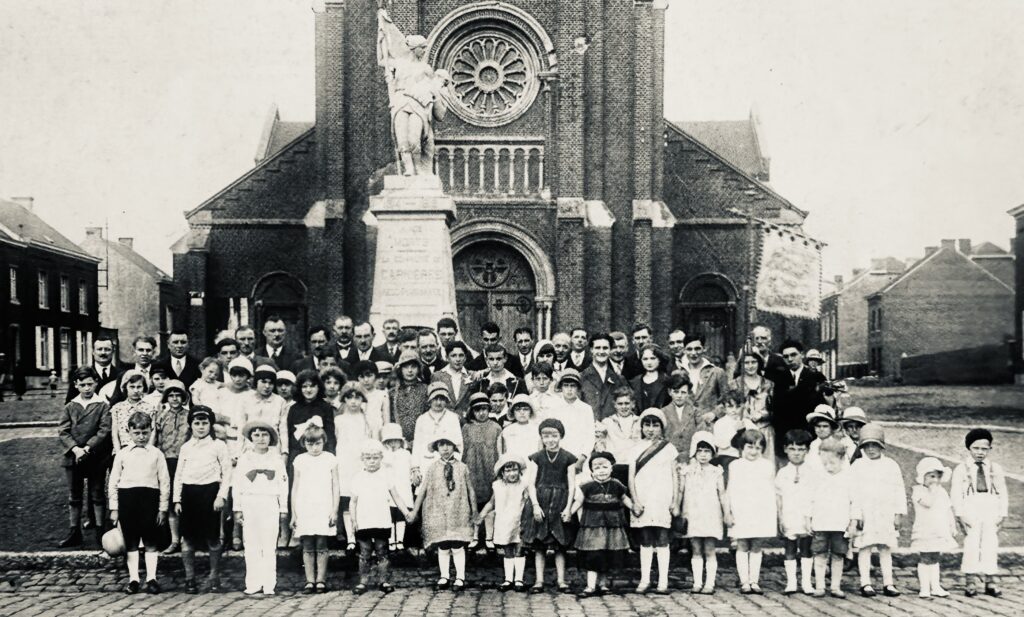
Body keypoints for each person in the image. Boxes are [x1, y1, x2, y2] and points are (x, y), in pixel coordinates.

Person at [108, 411, 170, 594]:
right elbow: (113, 481)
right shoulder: (122, 454)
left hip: (149, 499)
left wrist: (162, 508)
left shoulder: (157, 454)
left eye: (145, 433)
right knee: (131, 541)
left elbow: (164, 482)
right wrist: (114, 508)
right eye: (137, 433)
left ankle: (151, 578)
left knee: (151, 541)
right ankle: (134, 579)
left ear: (151, 431)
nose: (141, 437)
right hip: (128, 500)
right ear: (129, 432)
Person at [174, 406, 232, 594]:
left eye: (205, 423)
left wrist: (221, 496)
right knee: (188, 538)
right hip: (189, 494)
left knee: (213, 538)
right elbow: (179, 475)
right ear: (190, 425)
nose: (201, 427)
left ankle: (214, 577)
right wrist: (177, 499)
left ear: (211, 424)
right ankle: (190, 578)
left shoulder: (219, 446)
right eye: (197, 423)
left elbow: (227, 472)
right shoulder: (186, 447)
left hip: (210, 493)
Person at [410, 432, 477, 591]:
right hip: (438, 510)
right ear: (437, 448)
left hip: (458, 510)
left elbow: (470, 490)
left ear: (454, 447)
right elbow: (423, 489)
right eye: (441, 445)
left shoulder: (462, 468)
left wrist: (475, 511)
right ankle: (444, 576)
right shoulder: (432, 468)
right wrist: (414, 511)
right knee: (443, 544)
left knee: (457, 543)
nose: (445, 449)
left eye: (448, 445)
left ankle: (460, 577)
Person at [521, 418, 577, 594]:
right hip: (542, 502)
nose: (550, 439)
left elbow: (572, 484)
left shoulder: (568, 458)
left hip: (560, 502)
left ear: (560, 436)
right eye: (546, 436)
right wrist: (536, 506)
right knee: (540, 545)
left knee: (560, 544)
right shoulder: (537, 457)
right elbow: (531, 483)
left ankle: (561, 580)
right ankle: (539, 580)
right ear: (541, 438)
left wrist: (568, 508)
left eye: (554, 435)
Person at [849, 423, 906, 597]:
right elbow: (853, 493)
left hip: (885, 512)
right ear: (862, 447)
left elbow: (899, 490)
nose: (871, 449)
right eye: (867, 446)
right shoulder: (857, 466)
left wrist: (898, 513)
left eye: (875, 445)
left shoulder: (891, 465)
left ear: (881, 446)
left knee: (885, 547)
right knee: (865, 548)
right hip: (866, 513)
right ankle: (865, 583)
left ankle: (888, 583)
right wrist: (856, 516)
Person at [57, 366, 111, 548]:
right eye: (82, 385)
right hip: (73, 456)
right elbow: (63, 431)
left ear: (96, 383)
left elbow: (104, 430)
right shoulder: (70, 406)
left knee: (97, 493)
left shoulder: (102, 405)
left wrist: (87, 447)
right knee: (74, 495)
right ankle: (74, 531)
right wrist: (75, 449)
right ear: (76, 385)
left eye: (90, 384)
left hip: (95, 456)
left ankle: (99, 531)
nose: (87, 388)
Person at [233, 421, 289, 596]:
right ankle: (253, 583)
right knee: (251, 544)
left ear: (271, 438)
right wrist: (238, 507)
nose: (260, 439)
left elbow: (283, 485)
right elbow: (237, 484)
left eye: (264, 435)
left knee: (268, 544)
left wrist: (283, 508)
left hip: (269, 502)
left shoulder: (277, 459)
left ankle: (269, 584)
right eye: (256, 435)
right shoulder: (244, 459)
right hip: (250, 502)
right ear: (250, 438)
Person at [350, 439, 413, 595]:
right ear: (362, 459)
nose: (372, 461)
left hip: (381, 519)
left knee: (382, 551)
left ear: (381, 458)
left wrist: (406, 512)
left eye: (375, 458)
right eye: (368, 458)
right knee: (364, 552)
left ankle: (383, 580)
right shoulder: (358, 477)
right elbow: (353, 501)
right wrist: (353, 520)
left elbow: (396, 496)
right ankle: (363, 581)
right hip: (364, 521)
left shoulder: (386, 475)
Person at [570, 451, 637, 598]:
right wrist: (569, 512)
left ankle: (603, 584)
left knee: (607, 554)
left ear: (611, 468)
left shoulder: (617, 485)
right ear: (592, 471)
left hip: (611, 527)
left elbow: (624, 498)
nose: (601, 471)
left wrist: (634, 507)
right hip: (592, 527)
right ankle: (590, 586)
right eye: (597, 468)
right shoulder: (586, 486)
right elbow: (579, 501)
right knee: (594, 554)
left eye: (604, 467)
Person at [628, 408, 680, 594]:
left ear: (661, 427)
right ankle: (644, 579)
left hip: (662, 498)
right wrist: (635, 500)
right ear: (641, 427)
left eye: (655, 425)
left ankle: (663, 581)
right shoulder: (634, 448)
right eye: (647, 425)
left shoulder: (669, 448)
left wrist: (675, 501)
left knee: (662, 538)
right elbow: (631, 477)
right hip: (643, 498)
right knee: (646, 538)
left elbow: (675, 477)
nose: (650, 429)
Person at [951, 428, 1007, 598]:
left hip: (990, 508)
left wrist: (1002, 514)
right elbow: (956, 493)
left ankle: (991, 581)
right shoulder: (962, 469)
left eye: (984, 449)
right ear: (969, 448)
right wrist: (960, 515)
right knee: (972, 544)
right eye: (976, 448)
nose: (980, 452)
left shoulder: (994, 468)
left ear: (990, 449)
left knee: (990, 544)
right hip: (971, 508)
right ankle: (970, 581)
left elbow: (1002, 492)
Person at [291, 424, 340, 594]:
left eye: (317, 443)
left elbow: (335, 486)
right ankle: (309, 580)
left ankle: (321, 580)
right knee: (308, 544)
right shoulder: (300, 460)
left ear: (323, 442)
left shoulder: (330, 458)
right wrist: (294, 513)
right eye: (310, 444)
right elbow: (295, 487)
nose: (314, 447)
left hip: (323, 505)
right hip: (305, 505)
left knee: (321, 543)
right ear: (304, 443)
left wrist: (334, 510)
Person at [679, 430, 730, 594]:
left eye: (707, 451)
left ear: (713, 453)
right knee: (695, 549)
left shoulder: (716, 471)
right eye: (699, 451)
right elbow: (681, 491)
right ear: (694, 451)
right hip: (693, 513)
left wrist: (727, 513)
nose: (703, 455)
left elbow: (722, 494)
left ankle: (709, 583)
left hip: (710, 513)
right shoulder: (687, 471)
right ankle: (697, 582)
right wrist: (679, 510)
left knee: (709, 548)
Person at [727, 429, 777, 595]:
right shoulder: (735, 466)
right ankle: (744, 582)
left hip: (759, 510)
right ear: (742, 447)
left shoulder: (767, 466)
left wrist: (770, 512)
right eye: (750, 447)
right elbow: (730, 490)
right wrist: (729, 512)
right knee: (742, 544)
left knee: (756, 544)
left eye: (757, 448)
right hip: (741, 509)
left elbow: (770, 491)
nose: (753, 451)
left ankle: (754, 581)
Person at [808, 436, 856, 598]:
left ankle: (835, 586)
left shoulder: (848, 478)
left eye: (832, 463)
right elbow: (810, 499)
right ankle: (820, 585)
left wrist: (853, 521)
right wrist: (808, 518)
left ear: (842, 459)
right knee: (820, 554)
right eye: (825, 463)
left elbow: (854, 501)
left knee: (838, 555)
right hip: (821, 522)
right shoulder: (817, 477)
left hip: (840, 523)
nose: (828, 467)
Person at [477, 454, 530, 592]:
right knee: (507, 549)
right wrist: (481, 515)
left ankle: (518, 579)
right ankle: (508, 579)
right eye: (508, 471)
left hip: (519, 521)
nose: (512, 474)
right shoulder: (497, 486)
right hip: (504, 521)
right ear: (502, 473)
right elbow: (491, 503)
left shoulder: (524, 485)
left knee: (519, 548)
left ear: (519, 471)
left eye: (515, 470)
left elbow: (529, 501)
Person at [775, 429, 815, 595]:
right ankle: (791, 582)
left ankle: (806, 582)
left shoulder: (812, 472)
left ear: (807, 451)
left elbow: (814, 496)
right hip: (789, 515)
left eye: (801, 449)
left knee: (806, 549)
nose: (796, 453)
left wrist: (812, 518)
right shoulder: (783, 473)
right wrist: (779, 518)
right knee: (790, 548)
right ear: (785, 449)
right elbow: (778, 497)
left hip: (807, 517)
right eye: (792, 449)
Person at [770, 340, 826, 458]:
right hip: (786, 437)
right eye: (786, 356)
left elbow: (818, 407)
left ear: (802, 354)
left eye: (793, 355)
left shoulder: (814, 377)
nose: (790, 359)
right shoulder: (778, 378)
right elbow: (776, 408)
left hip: (808, 436)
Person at [335, 383, 374, 551]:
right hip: (344, 463)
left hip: (361, 463)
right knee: (347, 499)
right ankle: (350, 537)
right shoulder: (339, 420)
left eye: (357, 397)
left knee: (364, 499)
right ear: (344, 399)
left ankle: (364, 535)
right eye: (349, 397)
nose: (353, 401)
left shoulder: (366, 420)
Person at [153, 379, 190, 554]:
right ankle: (173, 540)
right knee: (168, 500)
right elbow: (155, 440)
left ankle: (187, 539)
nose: (175, 399)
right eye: (171, 395)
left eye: (178, 395)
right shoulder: (160, 416)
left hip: (185, 462)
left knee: (183, 500)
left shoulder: (190, 415)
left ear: (184, 397)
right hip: (165, 461)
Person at [911, 457, 957, 598]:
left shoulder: (941, 492)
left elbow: (948, 509)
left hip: (939, 529)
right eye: (931, 476)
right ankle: (925, 588)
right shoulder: (918, 491)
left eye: (938, 477)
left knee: (935, 558)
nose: (935, 480)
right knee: (925, 557)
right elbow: (928, 503)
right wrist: (933, 490)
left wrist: (952, 525)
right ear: (923, 476)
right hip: (925, 529)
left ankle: (935, 586)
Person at [462, 393, 502, 550]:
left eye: (484, 409)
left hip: (490, 469)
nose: (481, 413)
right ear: (472, 411)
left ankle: (489, 536)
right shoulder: (467, 428)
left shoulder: (496, 427)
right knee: (474, 502)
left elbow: (500, 451)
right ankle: (474, 535)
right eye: (478, 410)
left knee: (490, 502)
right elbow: (463, 450)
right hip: (473, 470)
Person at [411, 383, 463, 484]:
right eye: (435, 399)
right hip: (426, 463)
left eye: (442, 399)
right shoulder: (422, 419)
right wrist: (415, 468)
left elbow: (459, 444)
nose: (438, 402)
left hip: (448, 464)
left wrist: (453, 464)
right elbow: (417, 445)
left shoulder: (452, 418)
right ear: (429, 400)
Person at [730, 351, 775, 463]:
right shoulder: (734, 384)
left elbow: (775, 409)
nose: (750, 366)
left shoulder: (768, 384)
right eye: (746, 363)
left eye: (753, 362)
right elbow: (730, 407)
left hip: (765, 430)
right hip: (744, 431)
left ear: (759, 363)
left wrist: (763, 415)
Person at [579, 333, 628, 421]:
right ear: (591, 350)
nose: (601, 352)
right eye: (598, 348)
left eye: (605, 348)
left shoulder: (619, 380)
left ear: (610, 350)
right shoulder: (581, 377)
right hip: (588, 428)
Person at [380, 423, 413, 551]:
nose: (393, 444)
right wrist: (387, 452)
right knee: (390, 515)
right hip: (389, 489)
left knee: (401, 515)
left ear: (401, 442)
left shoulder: (406, 454)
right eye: (390, 441)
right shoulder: (384, 456)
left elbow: (410, 469)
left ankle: (399, 540)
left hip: (403, 487)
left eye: (396, 441)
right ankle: (391, 541)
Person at [660, 373, 706, 459]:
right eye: (676, 392)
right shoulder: (663, 412)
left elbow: (702, 433)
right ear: (670, 392)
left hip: (691, 456)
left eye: (683, 392)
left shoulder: (695, 412)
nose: (679, 396)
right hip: (669, 456)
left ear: (688, 393)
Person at [681, 335, 729, 416]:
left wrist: (714, 414)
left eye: (697, 349)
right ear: (684, 351)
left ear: (704, 349)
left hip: (709, 423)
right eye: (689, 349)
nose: (693, 353)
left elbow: (727, 400)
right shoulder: (679, 373)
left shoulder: (716, 372)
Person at [109, 370, 156, 451]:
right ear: (125, 387)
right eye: (132, 387)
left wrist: (148, 450)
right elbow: (115, 433)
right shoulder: (117, 408)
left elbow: (153, 432)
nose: (135, 390)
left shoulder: (150, 408)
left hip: (144, 449)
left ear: (144, 388)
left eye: (139, 387)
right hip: (124, 449)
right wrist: (118, 452)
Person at [390, 350, 427, 443]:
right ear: (400, 369)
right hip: (397, 441)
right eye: (406, 367)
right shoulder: (392, 393)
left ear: (419, 369)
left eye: (413, 367)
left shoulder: (425, 390)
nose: (410, 370)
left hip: (421, 439)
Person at [601, 387, 642, 466]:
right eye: (620, 404)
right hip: (614, 465)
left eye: (627, 403)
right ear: (615, 405)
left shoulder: (640, 422)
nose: (623, 407)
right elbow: (600, 444)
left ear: (633, 404)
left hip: (634, 464)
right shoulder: (607, 422)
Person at [431, 341, 473, 414]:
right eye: (453, 355)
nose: (458, 359)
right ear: (447, 358)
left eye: (461, 355)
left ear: (465, 357)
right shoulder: (437, 376)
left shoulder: (471, 376)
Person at [353, 361, 390, 438]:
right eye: (362, 376)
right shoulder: (354, 395)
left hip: (377, 434)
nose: (366, 380)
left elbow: (386, 420)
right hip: (359, 433)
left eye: (369, 376)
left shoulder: (382, 395)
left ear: (375, 376)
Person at [500, 394, 541, 462]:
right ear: (513, 412)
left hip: (533, 466)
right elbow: (504, 453)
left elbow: (540, 452)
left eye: (525, 409)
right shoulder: (507, 431)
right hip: (514, 467)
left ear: (531, 411)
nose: (522, 412)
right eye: (518, 409)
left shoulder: (537, 429)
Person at [630, 344, 670, 411]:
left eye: (653, 358)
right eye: (645, 359)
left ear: (659, 359)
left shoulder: (667, 381)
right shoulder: (634, 382)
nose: (649, 362)